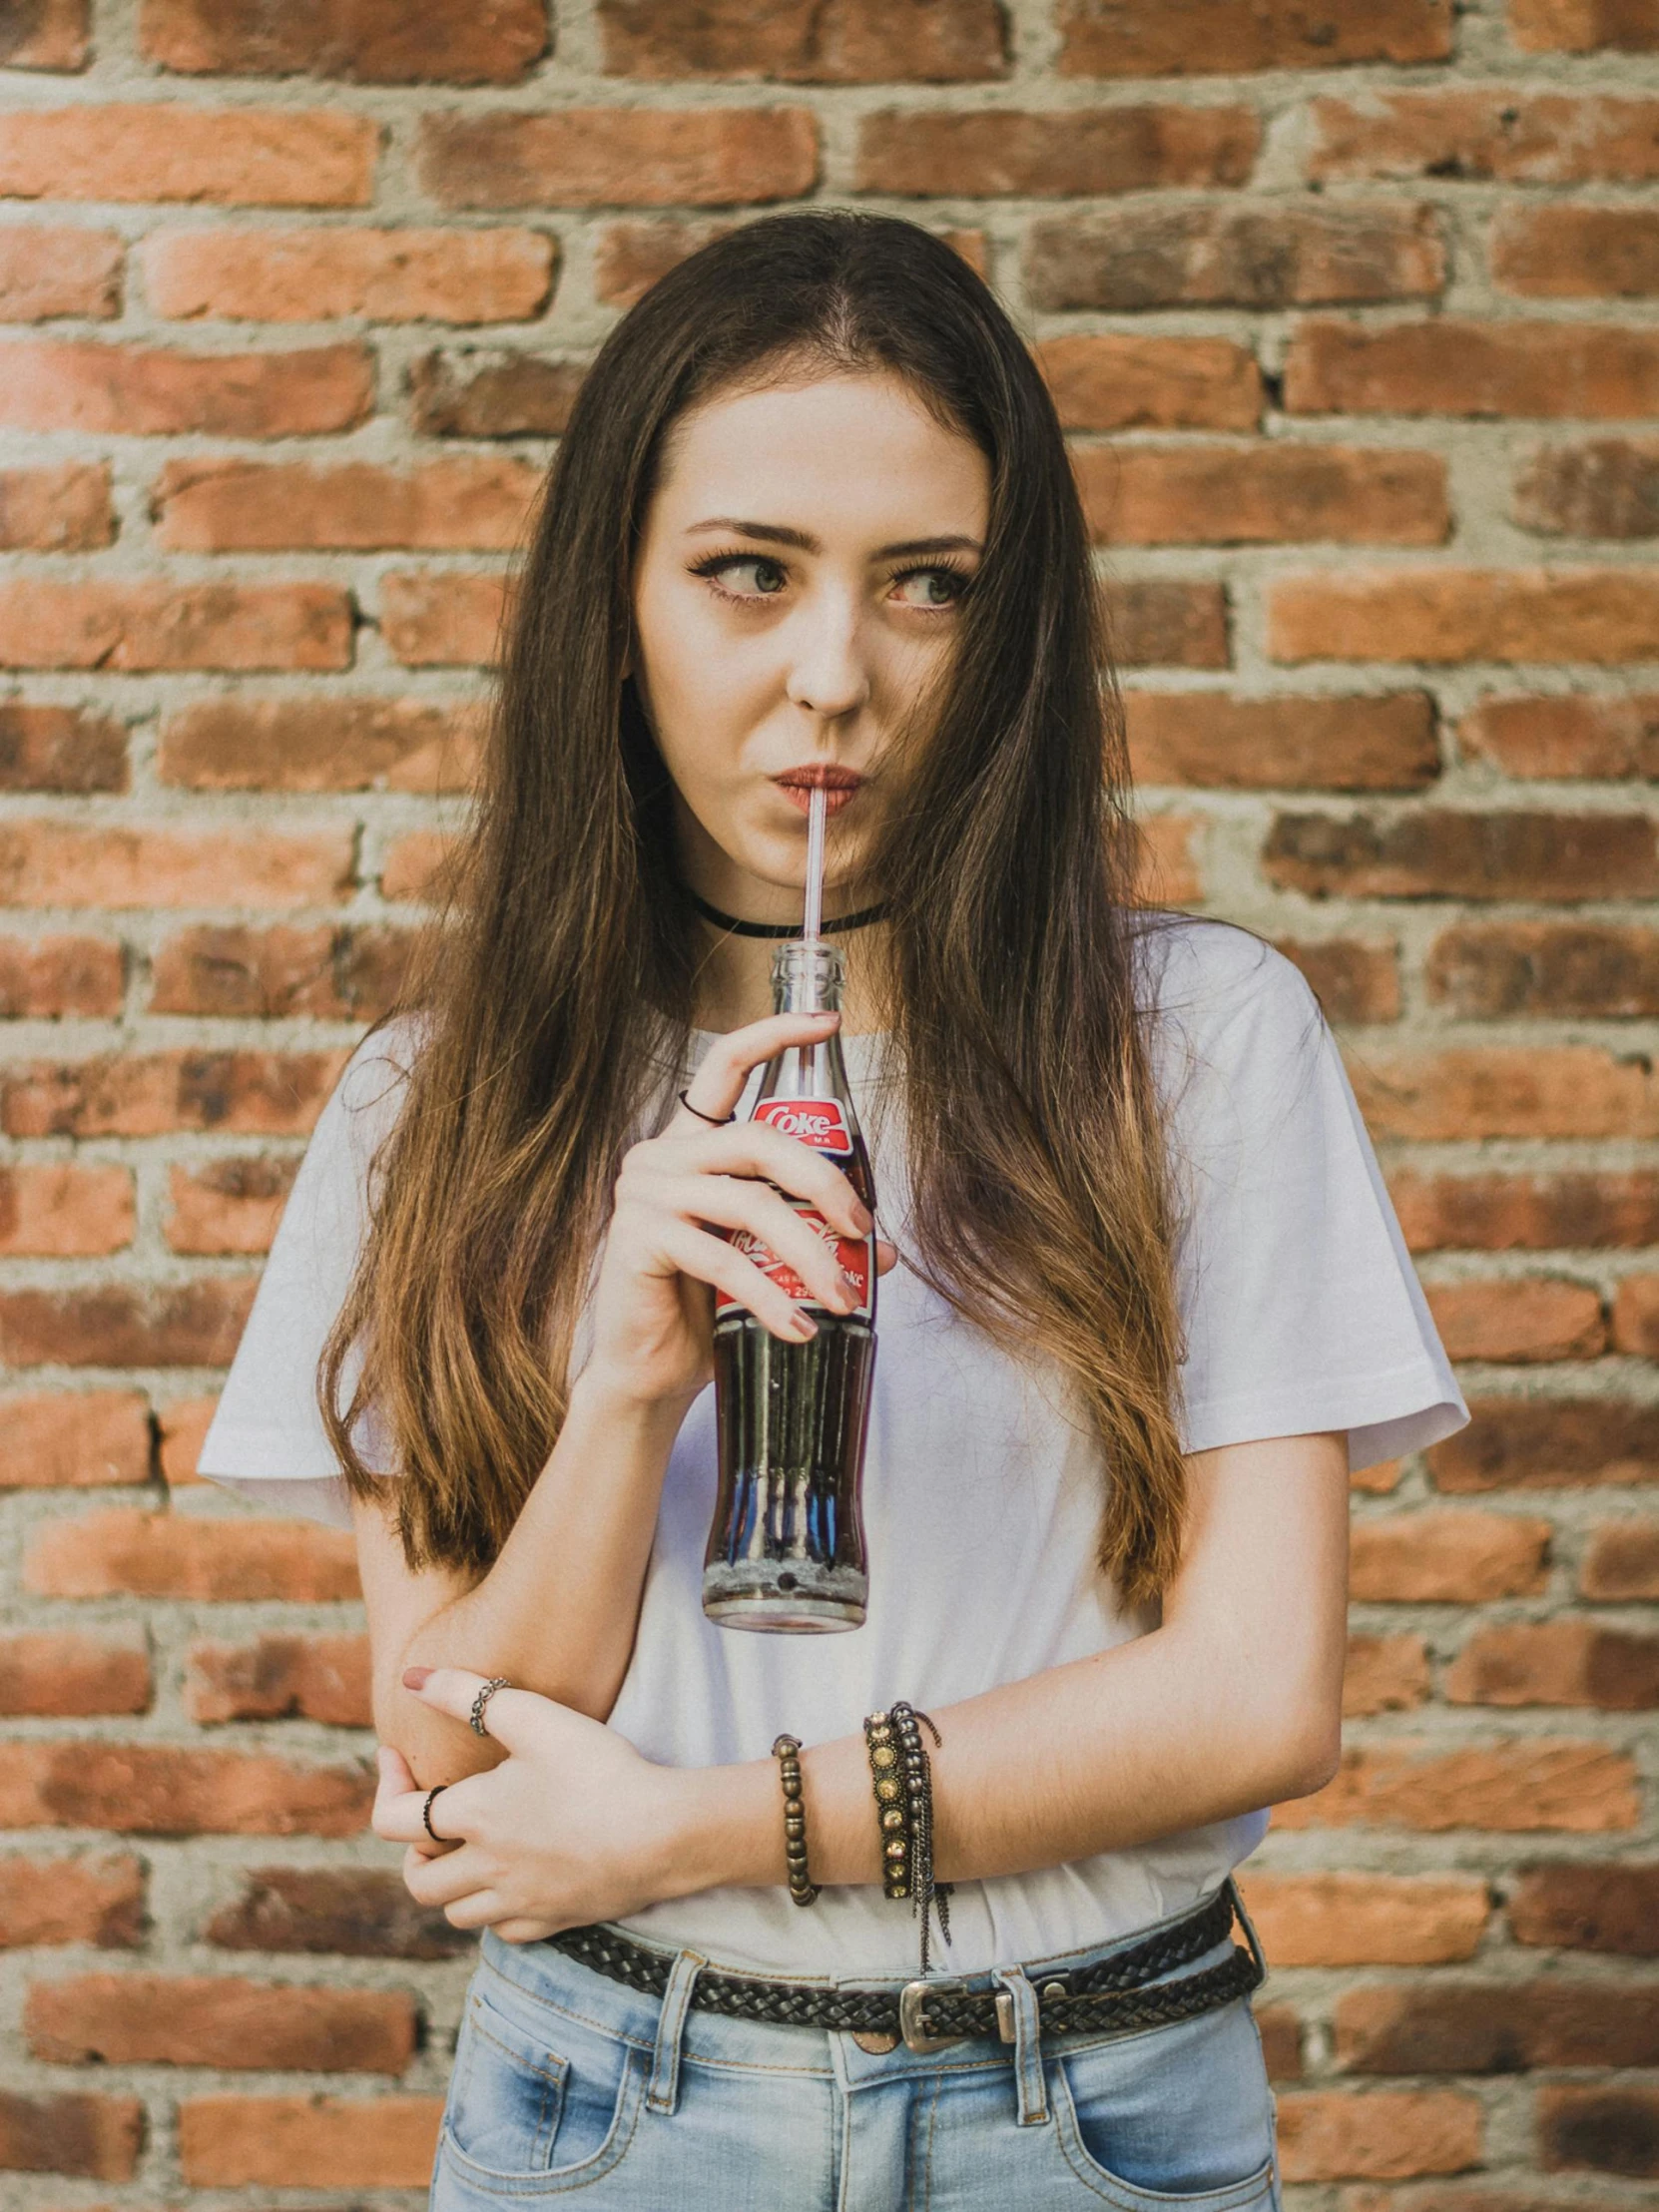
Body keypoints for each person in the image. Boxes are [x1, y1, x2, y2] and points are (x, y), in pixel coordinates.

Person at [198, 211, 1469, 2210]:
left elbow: (1255, 1695)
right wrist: (624, 1382)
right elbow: (455, 1764)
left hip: (1088, 2104)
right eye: (748, 575)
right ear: (619, 605)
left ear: (1012, 625)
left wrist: (698, 1823)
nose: (834, 676)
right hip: (615, 2107)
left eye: (930, 588)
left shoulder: (1199, 1042)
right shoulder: (433, 1108)